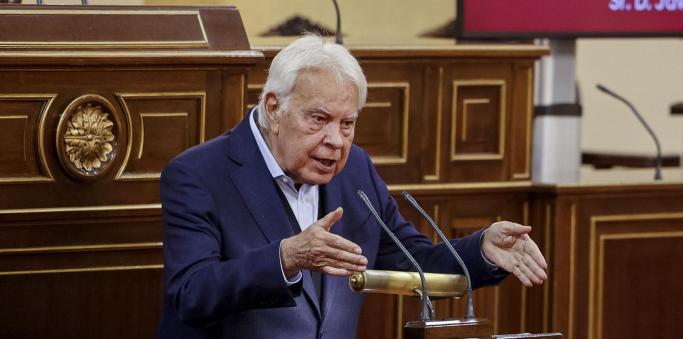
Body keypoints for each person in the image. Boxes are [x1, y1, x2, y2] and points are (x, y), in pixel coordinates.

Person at [159, 35, 547, 338]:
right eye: (319, 119)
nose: (336, 140)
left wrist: (482, 251)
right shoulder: (198, 174)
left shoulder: (354, 169)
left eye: (347, 123)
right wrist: (286, 258)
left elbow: (414, 263)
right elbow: (192, 294)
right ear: (274, 108)